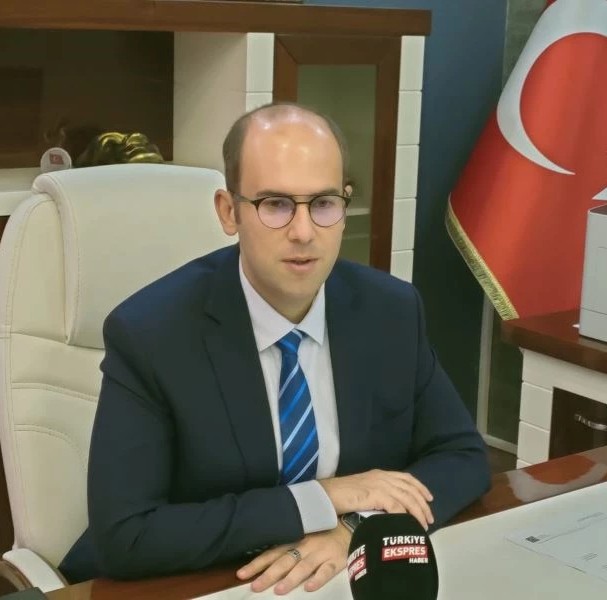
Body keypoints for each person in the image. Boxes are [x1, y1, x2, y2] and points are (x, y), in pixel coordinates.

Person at [58, 102, 491, 595]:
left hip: (336, 581)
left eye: (323, 203)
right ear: (229, 212)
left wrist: (354, 527)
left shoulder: (390, 310)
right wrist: (323, 498)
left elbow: (462, 456)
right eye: (276, 204)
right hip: (202, 583)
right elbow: (127, 535)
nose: (303, 232)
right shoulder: (150, 334)